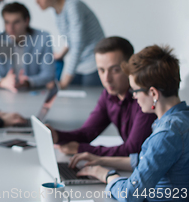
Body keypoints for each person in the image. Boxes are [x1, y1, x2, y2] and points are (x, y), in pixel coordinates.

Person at [68, 45, 189, 202]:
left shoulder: (166, 133)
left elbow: (130, 194)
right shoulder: (181, 119)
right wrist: (101, 160)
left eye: (135, 91)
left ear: (153, 93)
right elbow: (150, 160)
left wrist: (108, 176)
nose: (134, 97)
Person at [47, 37, 156, 156]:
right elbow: (87, 133)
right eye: (101, 70)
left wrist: (82, 149)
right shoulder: (108, 95)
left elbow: (132, 150)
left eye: (115, 70)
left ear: (129, 67)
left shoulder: (144, 99)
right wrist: (56, 136)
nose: (107, 79)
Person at [31, 0, 105, 89]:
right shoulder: (55, 9)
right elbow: (71, 37)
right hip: (78, 63)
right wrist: (61, 54)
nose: (37, 2)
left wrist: (63, 83)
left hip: (92, 64)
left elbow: (77, 45)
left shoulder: (73, 7)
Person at [0, 2, 55, 92]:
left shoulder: (43, 38)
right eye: (7, 22)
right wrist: (1, 82)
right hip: (6, 94)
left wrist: (29, 82)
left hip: (33, 92)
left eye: (16, 22)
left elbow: (49, 74)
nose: (11, 27)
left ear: (26, 21)